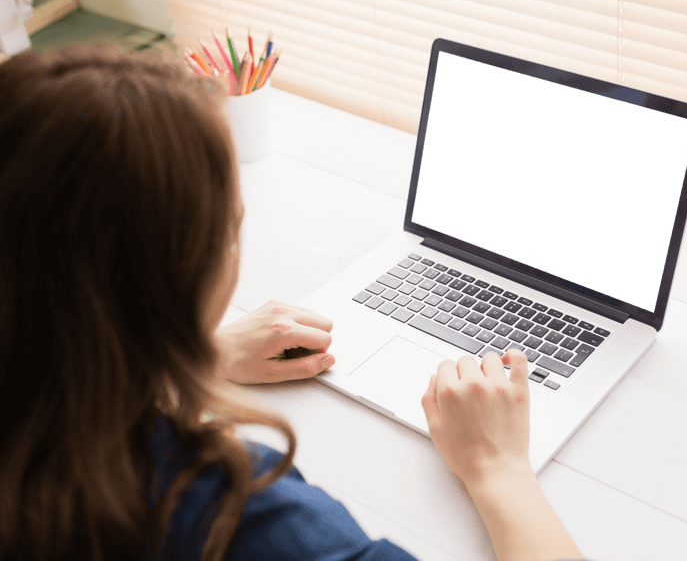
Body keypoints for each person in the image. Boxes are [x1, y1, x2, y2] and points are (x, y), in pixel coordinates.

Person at [0, 47, 583, 561]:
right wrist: (499, 469)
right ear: (175, 279)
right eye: (230, 224)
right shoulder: (232, 519)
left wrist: (190, 353)